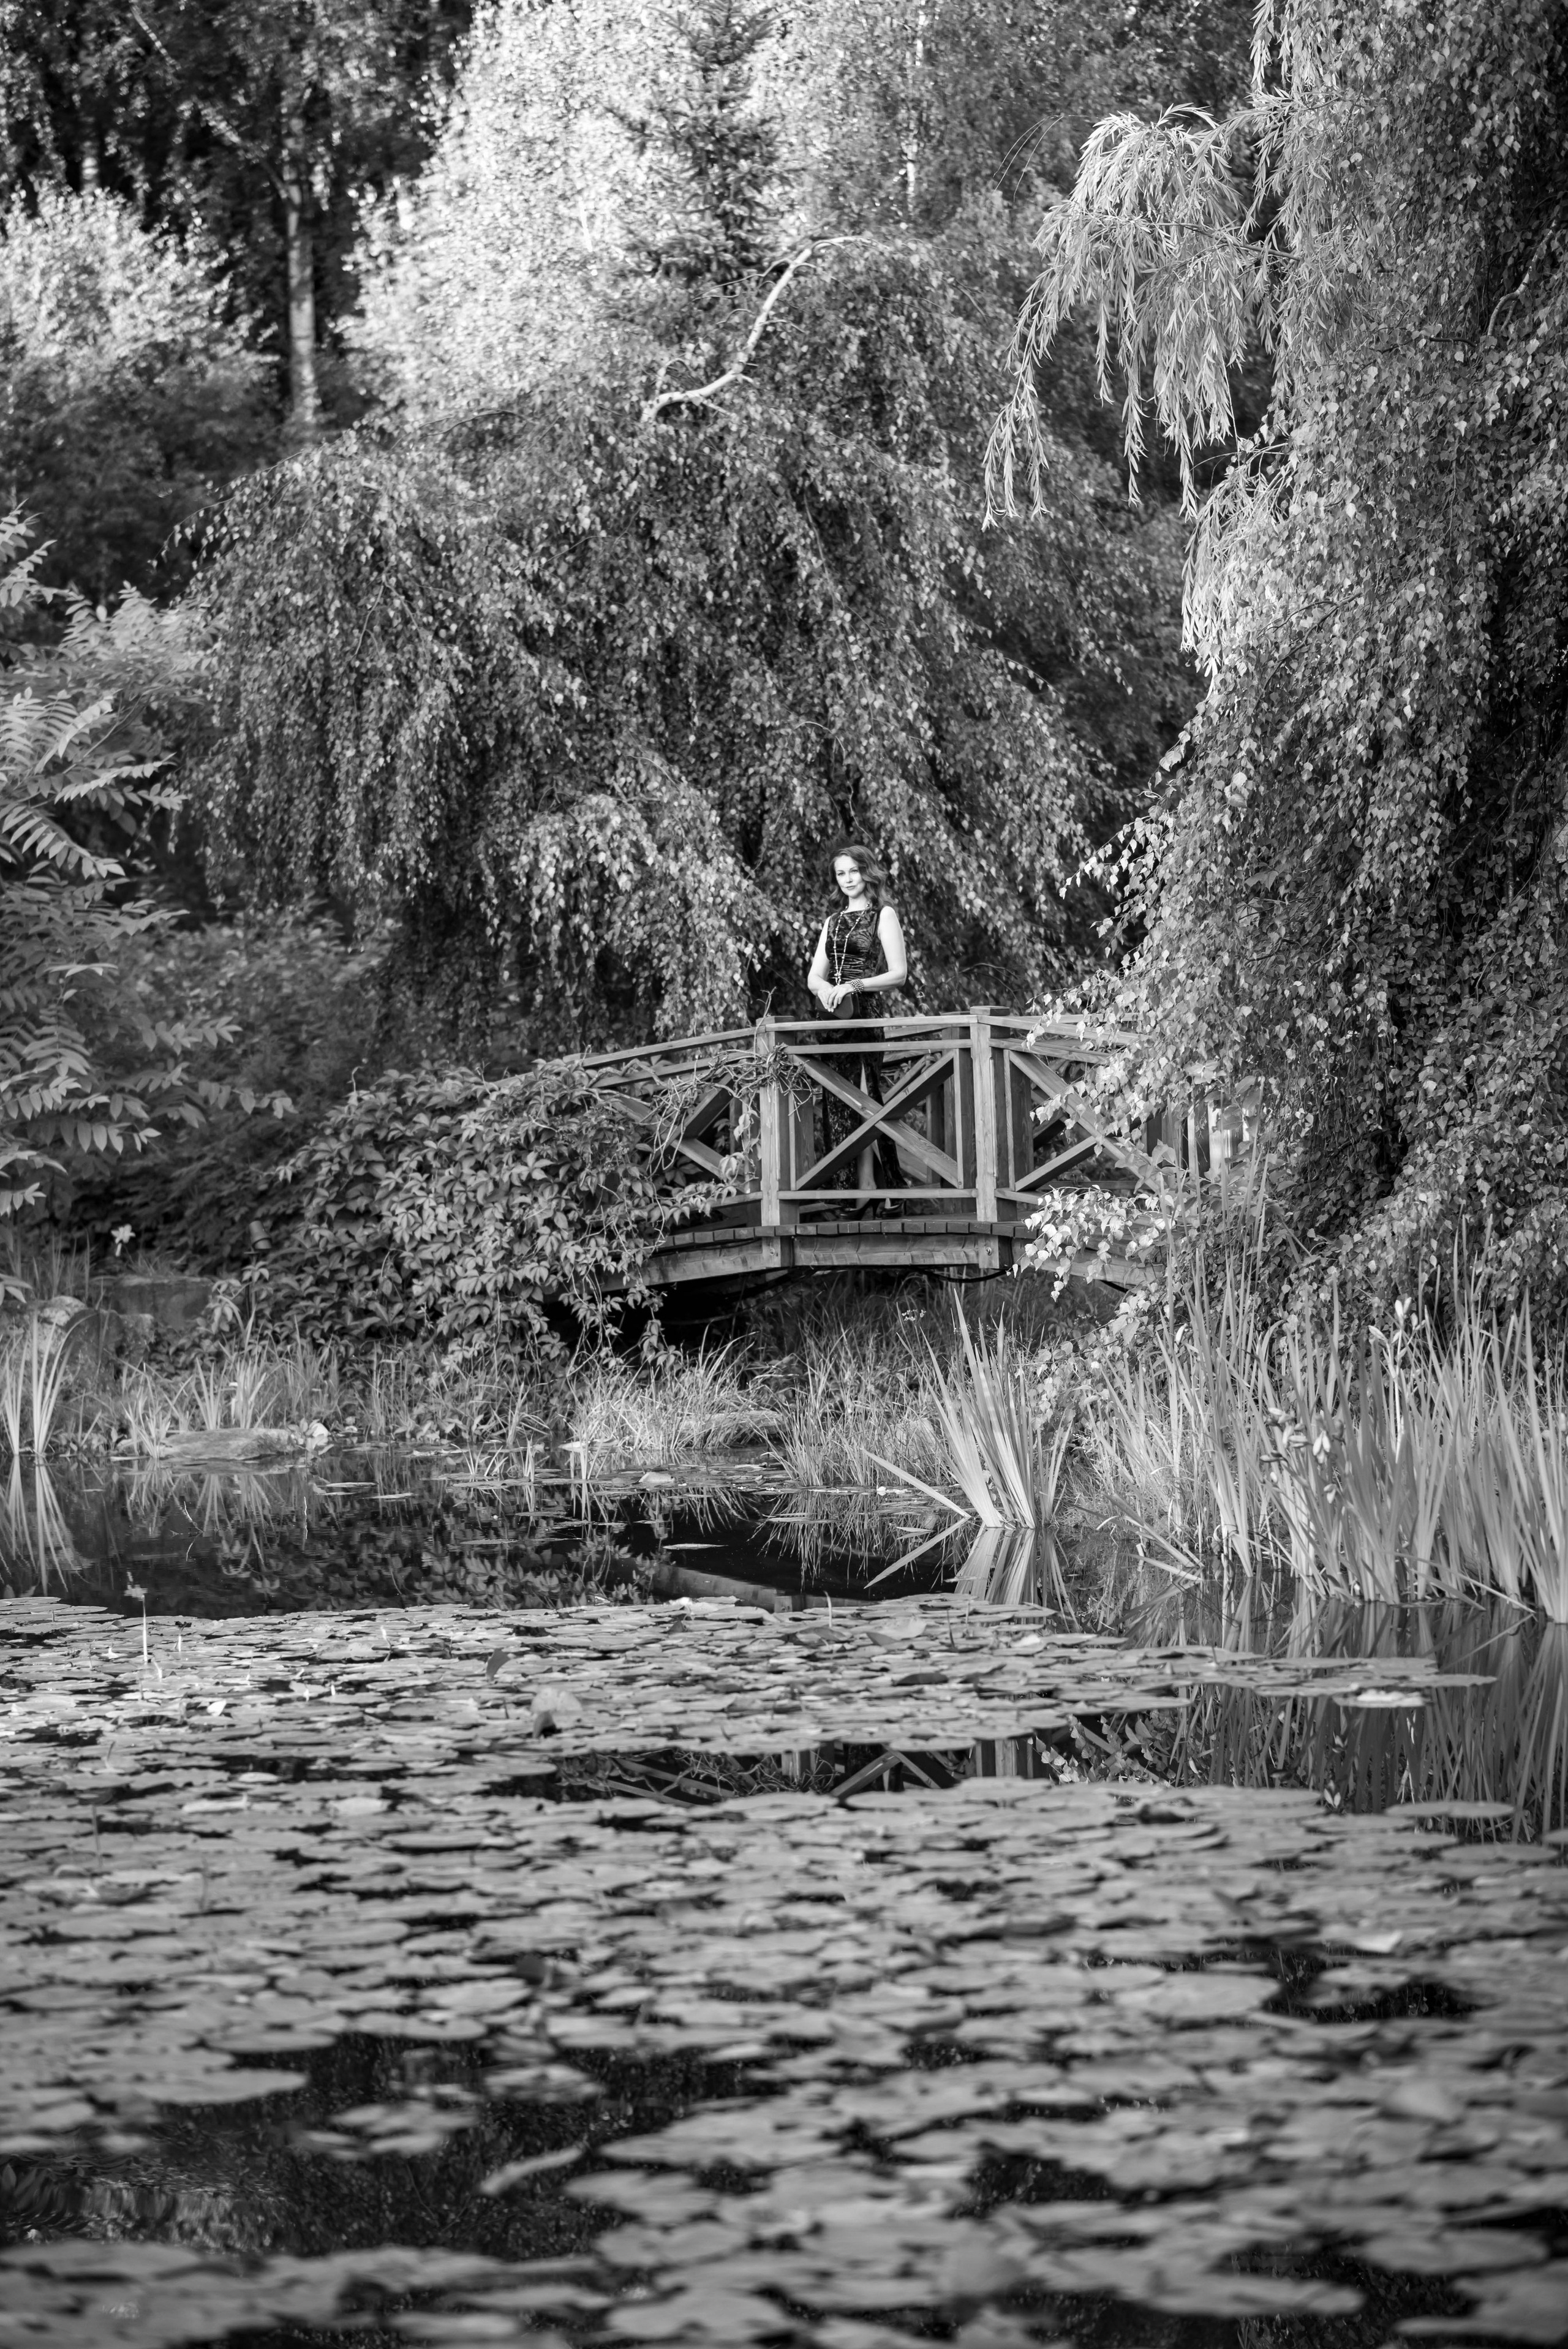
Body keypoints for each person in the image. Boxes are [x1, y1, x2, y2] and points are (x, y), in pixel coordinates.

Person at [805, 843, 908, 1198]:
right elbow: (814, 977)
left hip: (865, 1014)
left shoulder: (884, 915)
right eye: (841, 873)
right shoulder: (831, 922)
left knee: (865, 1098)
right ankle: (859, 1188)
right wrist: (827, 990)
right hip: (835, 1018)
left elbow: (899, 974)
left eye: (853, 871)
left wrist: (853, 984)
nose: (848, 879)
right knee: (840, 1102)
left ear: (867, 872)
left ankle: (887, 1190)